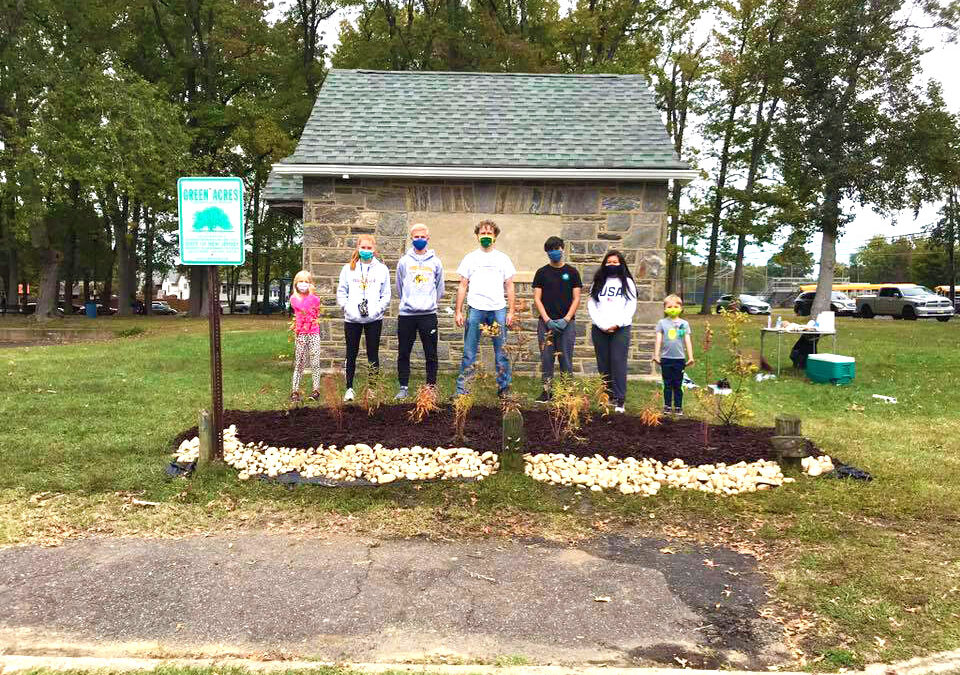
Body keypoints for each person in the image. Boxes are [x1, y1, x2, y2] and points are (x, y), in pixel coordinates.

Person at [455, 219, 516, 397]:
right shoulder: (470, 258)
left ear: (495, 236)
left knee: (502, 352)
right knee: (469, 352)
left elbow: (510, 285)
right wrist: (458, 311)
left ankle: (504, 389)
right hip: (475, 309)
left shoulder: (503, 258)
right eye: (483, 233)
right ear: (477, 236)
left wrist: (511, 311)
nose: (486, 236)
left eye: (489, 233)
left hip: (498, 309)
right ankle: (463, 390)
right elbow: (463, 285)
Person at [337, 234, 391, 402]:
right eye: (363, 248)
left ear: (374, 249)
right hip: (352, 319)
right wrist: (347, 309)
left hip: (374, 319)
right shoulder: (348, 269)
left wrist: (378, 310)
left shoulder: (382, 269)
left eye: (369, 248)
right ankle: (349, 388)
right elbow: (341, 292)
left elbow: (386, 294)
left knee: (372, 354)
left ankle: (372, 388)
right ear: (358, 249)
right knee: (351, 353)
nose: (366, 251)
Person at [395, 223, 444, 399]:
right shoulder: (404, 262)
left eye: (423, 237)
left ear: (428, 239)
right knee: (403, 352)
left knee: (431, 352)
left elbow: (440, 288)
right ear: (411, 239)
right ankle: (403, 387)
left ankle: (430, 387)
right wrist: (409, 301)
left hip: (428, 315)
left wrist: (428, 302)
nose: (420, 240)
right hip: (407, 315)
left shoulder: (436, 262)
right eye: (416, 237)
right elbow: (399, 287)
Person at [532, 236, 582, 403]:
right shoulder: (541, 273)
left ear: (563, 249)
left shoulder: (572, 273)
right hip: (545, 324)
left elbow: (576, 298)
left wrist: (566, 319)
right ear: (547, 252)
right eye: (551, 249)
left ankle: (567, 393)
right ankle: (547, 392)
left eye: (557, 248)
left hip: (567, 324)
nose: (554, 252)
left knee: (566, 359)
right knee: (546, 358)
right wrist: (547, 320)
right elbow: (537, 298)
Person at [587, 250, 637, 413]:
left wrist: (617, 324)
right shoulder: (598, 281)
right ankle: (606, 397)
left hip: (620, 329)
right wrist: (601, 324)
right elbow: (592, 305)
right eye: (609, 262)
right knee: (603, 363)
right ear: (604, 264)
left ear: (621, 264)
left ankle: (620, 399)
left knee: (618, 362)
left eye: (615, 262)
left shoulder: (627, 282)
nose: (612, 265)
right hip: (599, 328)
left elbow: (630, 306)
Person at [653, 294, 695, 416]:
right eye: (669, 306)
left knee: (678, 384)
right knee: (667, 384)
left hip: (679, 360)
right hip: (666, 359)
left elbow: (687, 340)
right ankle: (666, 405)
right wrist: (656, 355)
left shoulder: (684, 324)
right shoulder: (662, 323)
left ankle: (678, 406)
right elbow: (658, 340)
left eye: (676, 306)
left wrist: (691, 357)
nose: (673, 308)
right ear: (665, 309)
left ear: (681, 308)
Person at [289, 270, 322, 403]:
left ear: (311, 284)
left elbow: (315, 308)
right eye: (301, 282)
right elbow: (303, 308)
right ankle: (295, 390)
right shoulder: (294, 299)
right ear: (296, 284)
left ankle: (316, 389)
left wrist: (311, 294)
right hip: (301, 333)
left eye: (306, 282)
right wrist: (310, 296)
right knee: (299, 362)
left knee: (315, 361)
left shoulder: (315, 298)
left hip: (313, 332)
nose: (303, 284)